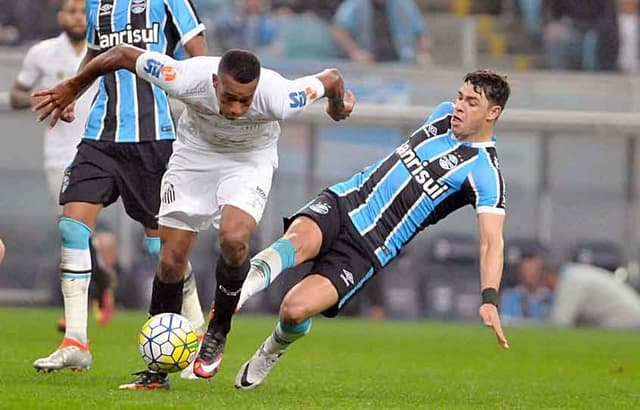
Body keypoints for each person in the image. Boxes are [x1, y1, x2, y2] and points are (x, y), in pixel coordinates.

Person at [33, 43, 355, 389]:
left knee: (233, 239)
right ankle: (156, 372)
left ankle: (218, 329)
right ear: (215, 82)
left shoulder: (281, 97)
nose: (235, 109)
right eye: (229, 97)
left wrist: (337, 107)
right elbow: (121, 54)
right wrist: (74, 86)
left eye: (245, 101)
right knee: (170, 258)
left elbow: (332, 78)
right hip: (193, 159)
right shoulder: (185, 77)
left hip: (248, 163)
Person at [234, 70, 511, 390]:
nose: (460, 106)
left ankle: (272, 349)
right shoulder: (442, 115)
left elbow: (492, 243)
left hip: (369, 247)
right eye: (461, 96)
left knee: (294, 310)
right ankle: (237, 293)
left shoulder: (485, 173)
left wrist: (489, 298)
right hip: (346, 200)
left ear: (493, 113)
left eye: (472, 102)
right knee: (293, 243)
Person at [31, 0, 207, 374]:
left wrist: (203, 110)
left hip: (154, 136)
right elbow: (97, 55)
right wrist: (73, 94)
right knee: (72, 226)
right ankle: (76, 341)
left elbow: (199, 54)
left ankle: (197, 334)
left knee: (166, 248)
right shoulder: (97, 3)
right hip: (101, 134)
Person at [10, 0, 119, 332]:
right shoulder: (41, 53)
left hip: (104, 148)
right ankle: (97, 294)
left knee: (86, 232)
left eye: (80, 11)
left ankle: (96, 294)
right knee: (75, 232)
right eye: (69, 11)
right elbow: (18, 93)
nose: (75, 17)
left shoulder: (108, 51)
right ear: (60, 16)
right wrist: (47, 98)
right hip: (59, 154)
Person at [543, 260, 640, 328]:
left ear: (550, 276)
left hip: (627, 320)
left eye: (545, 281)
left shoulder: (572, 280)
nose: (547, 287)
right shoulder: (576, 273)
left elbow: (560, 322)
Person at [331, 0, 431, 64]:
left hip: (402, 60)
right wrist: (355, 52)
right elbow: (338, 30)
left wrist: (422, 52)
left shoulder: (405, 4)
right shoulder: (356, 4)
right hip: (369, 63)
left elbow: (422, 34)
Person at [542, 0, 619, 70]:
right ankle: (558, 80)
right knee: (555, 38)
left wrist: (589, 29)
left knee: (593, 40)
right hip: (572, 28)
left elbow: (609, 19)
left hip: (598, 32)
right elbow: (550, 10)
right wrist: (551, 23)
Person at [500, 254, 552, 321]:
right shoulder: (510, 296)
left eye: (534, 270)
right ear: (520, 272)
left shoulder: (549, 297)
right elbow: (506, 319)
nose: (531, 274)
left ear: (541, 272)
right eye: (527, 270)